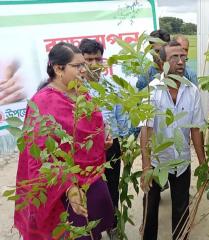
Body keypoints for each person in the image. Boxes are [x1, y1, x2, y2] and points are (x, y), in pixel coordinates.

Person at [14, 42, 114, 239]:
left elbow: (90, 130)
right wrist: (69, 187)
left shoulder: (82, 94)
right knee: (72, 233)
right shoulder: (43, 102)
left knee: (92, 230)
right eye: (78, 66)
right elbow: (41, 154)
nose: (85, 70)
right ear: (58, 68)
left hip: (90, 178)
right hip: (62, 190)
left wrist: (101, 141)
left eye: (84, 65)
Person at [139, 40, 206, 240]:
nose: (180, 61)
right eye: (173, 58)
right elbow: (147, 130)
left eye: (183, 56)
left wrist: (203, 163)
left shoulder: (192, 90)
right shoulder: (153, 91)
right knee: (150, 207)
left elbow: (195, 129)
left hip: (181, 160)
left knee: (181, 206)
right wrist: (146, 166)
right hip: (158, 161)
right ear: (162, 64)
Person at [79, 38, 130, 238]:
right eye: (89, 59)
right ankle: (94, 229)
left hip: (112, 145)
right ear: (81, 61)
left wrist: (124, 142)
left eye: (98, 59)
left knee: (112, 186)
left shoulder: (112, 85)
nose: (94, 65)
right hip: (88, 150)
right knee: (91, 190)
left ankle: (112, 224)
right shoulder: (77, 90)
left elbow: (121, 115)